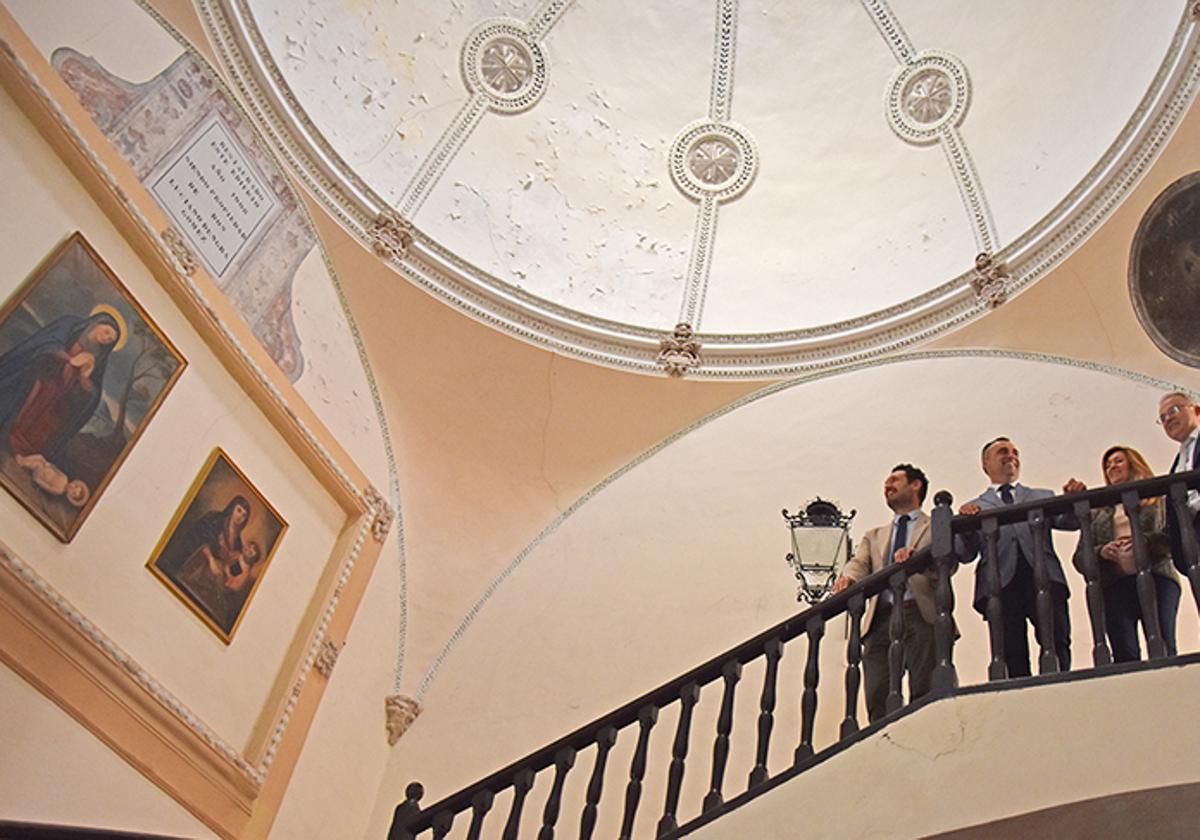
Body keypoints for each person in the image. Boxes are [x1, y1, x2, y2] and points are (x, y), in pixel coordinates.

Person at [959, 437, 1079, 677]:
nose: (1011, 456)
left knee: (1056, 641)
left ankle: (1061, 689)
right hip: (1000, 583)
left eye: (1015, 452)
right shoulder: (974, 507)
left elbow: (1070, 523)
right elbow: (964, 553)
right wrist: (965, 524)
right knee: (1012, 652)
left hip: (1043, 575)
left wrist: (1072, 500)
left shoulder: (1042, 495)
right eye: (1003, 452)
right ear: (985, 464)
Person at [832, 464, 939, 722]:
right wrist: (848, 577)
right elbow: (860, 563)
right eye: (885, 483)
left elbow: (949, 561)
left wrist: (918, 558)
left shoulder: (935, 524)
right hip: (881, 617)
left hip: (920, 612)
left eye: (895, 480)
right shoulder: (875, 535)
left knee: (925, 687)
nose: (887, 486)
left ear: (916, 485)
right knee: (877, 691)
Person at [1071, 446, 1180, 661]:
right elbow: (1080, 557)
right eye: (1108, 465)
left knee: (1162, 643)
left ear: (1133, 463)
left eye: (1118, 461)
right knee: (1123, 650)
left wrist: (1141, 543)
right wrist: (1102, 551)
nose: (1112, 467)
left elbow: (1170, 537)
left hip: (1156, 577)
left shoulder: (1157, 499)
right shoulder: (1099, 511)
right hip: (1115, 584)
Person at [0, 311, 123, 461]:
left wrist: (85, 382)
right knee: (22, 406)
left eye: (110, 340)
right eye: (107, 332)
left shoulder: (99, 357)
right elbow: (47, 342)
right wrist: (69, 360)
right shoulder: (70, 323)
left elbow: (94, 391)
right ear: (98, 322)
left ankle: (18, 447)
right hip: (41, 375)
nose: (106, 339)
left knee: (41, 420)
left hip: (58, 395)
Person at [1159, 391, 1200, 576]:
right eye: (1162, 418)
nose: (1168, 419)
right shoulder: (1177, 463)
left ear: (1197, 410)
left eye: (1174, 410)